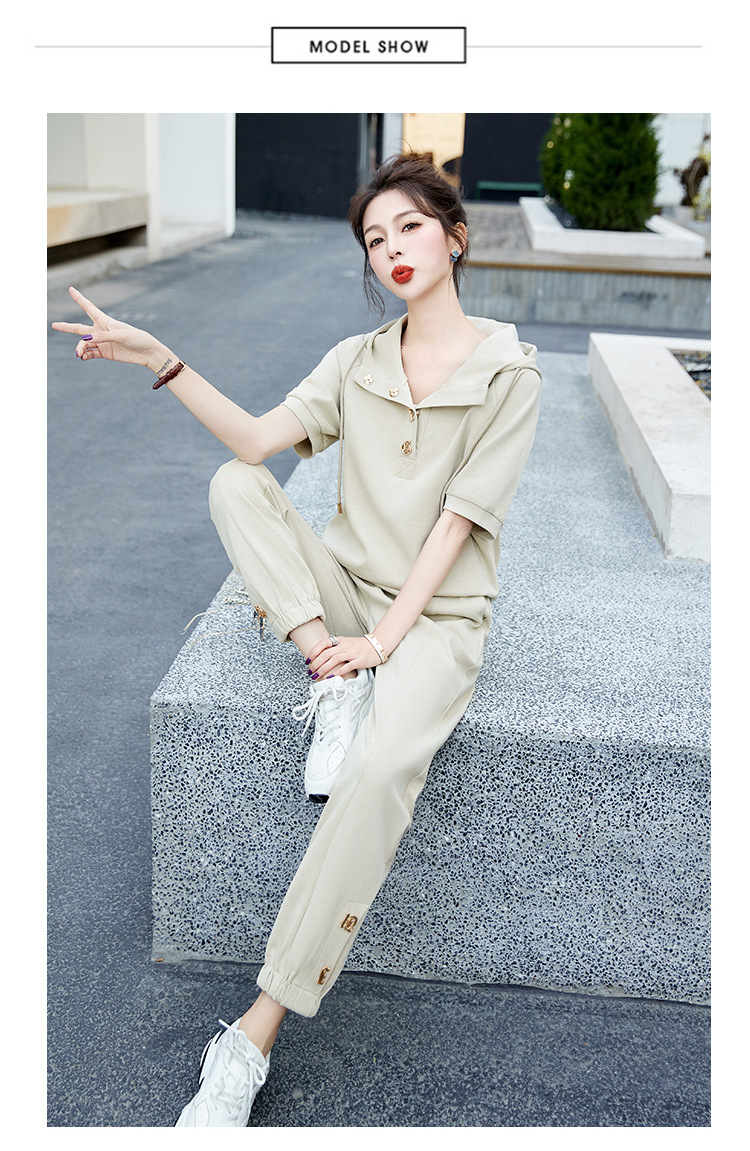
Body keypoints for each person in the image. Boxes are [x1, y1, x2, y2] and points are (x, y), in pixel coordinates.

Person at [52, 152, 542, 1127]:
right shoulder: (357, 361)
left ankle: (251, 1036)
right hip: (347, 597)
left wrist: (386, 643)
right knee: (235, 486)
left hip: (436, 619)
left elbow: (457, 524)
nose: (392, 248)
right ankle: (329, 675)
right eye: (375, 237)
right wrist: (162, 359)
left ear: (455, 236)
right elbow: (253, 442)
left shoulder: (509, 373)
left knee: (382, 767)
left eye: (410, 227)